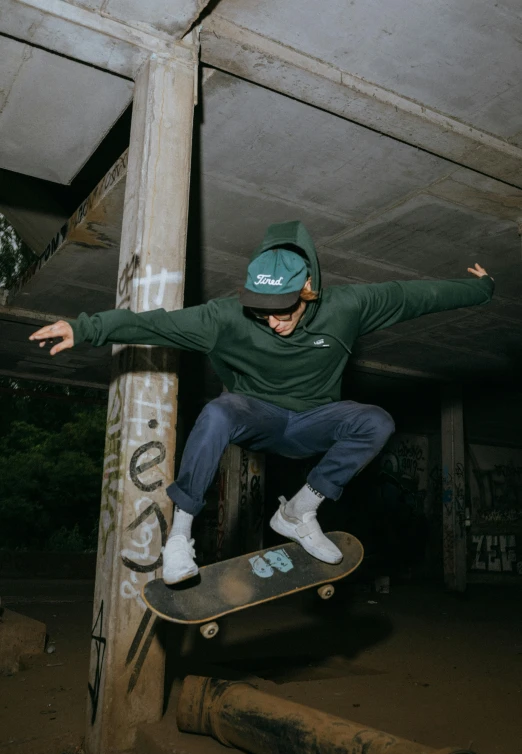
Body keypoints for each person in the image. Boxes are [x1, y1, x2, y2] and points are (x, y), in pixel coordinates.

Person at [29, 221, 494, 585]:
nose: (273, 322)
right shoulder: (225, 317)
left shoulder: (349, 306)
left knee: (377, 421)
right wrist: (85, 328)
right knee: (217, 412)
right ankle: (179, 538)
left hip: (316, 420)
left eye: (285, 310)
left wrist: (480, 290)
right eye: (262, 311)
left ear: (308, 289)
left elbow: (416, 297)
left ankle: (299, 511)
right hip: (257, 414)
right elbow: (155, 324)